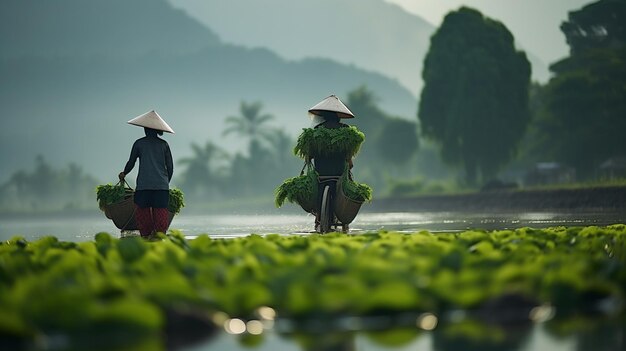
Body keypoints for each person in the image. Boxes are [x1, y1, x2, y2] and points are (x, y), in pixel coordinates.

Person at [118, 110, 174, 238]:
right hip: (161, 187)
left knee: (144, 219)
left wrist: (124, 173)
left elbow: (131, 162)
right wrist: (165, 182)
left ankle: (146, 238)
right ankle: (159, 240)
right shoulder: (164, 145)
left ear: (146, 130)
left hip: (144, 186)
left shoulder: (139, 143)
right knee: (160, 218)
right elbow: (170, 167)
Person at [307, 95, 355, 232]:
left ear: (324, 116)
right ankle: (338, 214)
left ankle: (319, 215)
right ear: (338, 117)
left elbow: (310, 151)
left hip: (321, 170)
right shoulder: (345, 130)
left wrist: (309, 157)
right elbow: (348, 151)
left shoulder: (317, 130)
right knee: (341, 187)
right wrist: (349, 160)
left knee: (320, 186)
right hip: (338, 170)